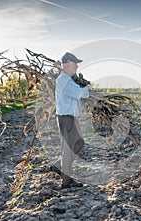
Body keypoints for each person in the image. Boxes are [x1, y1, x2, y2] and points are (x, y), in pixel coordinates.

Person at [54, 52, 89, 188]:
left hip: (70, 118)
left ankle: (59, 166)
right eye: (75, 64)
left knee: (78, 144)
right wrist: (85, 88)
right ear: (68, 64)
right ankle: (66, 182)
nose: (77, 66)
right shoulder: (64, 80)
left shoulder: (67, 79)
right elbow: (82, 94)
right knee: (69, 150)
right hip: (66, 119)